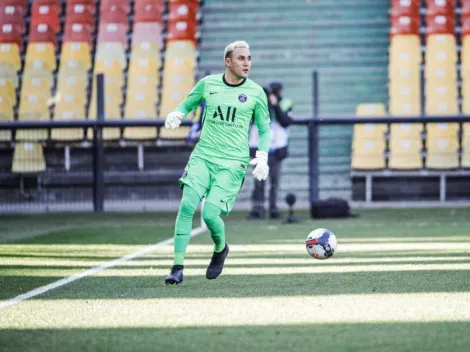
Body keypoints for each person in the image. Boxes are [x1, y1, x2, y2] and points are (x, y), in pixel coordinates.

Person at [163, 40, 271, 285]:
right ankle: (177, 267)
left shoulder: (256, 92)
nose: (247, 63)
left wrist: (263, 155)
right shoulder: (208, 84)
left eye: (249, 58)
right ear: (228, 61)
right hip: (203, 156)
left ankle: (220, 248)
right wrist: (177, 112)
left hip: (233, 163)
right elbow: (188, 103)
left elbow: (265, 130)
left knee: (210, 214)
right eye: (241, 58)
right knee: (187, 206)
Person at [247, 82, 293, 219]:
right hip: (259, 147)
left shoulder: (285, 103)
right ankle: (257, 208)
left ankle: (273, 208)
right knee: (258, 181)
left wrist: (275, 104)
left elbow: (285, 121)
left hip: (277, 147)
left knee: (274, 181)